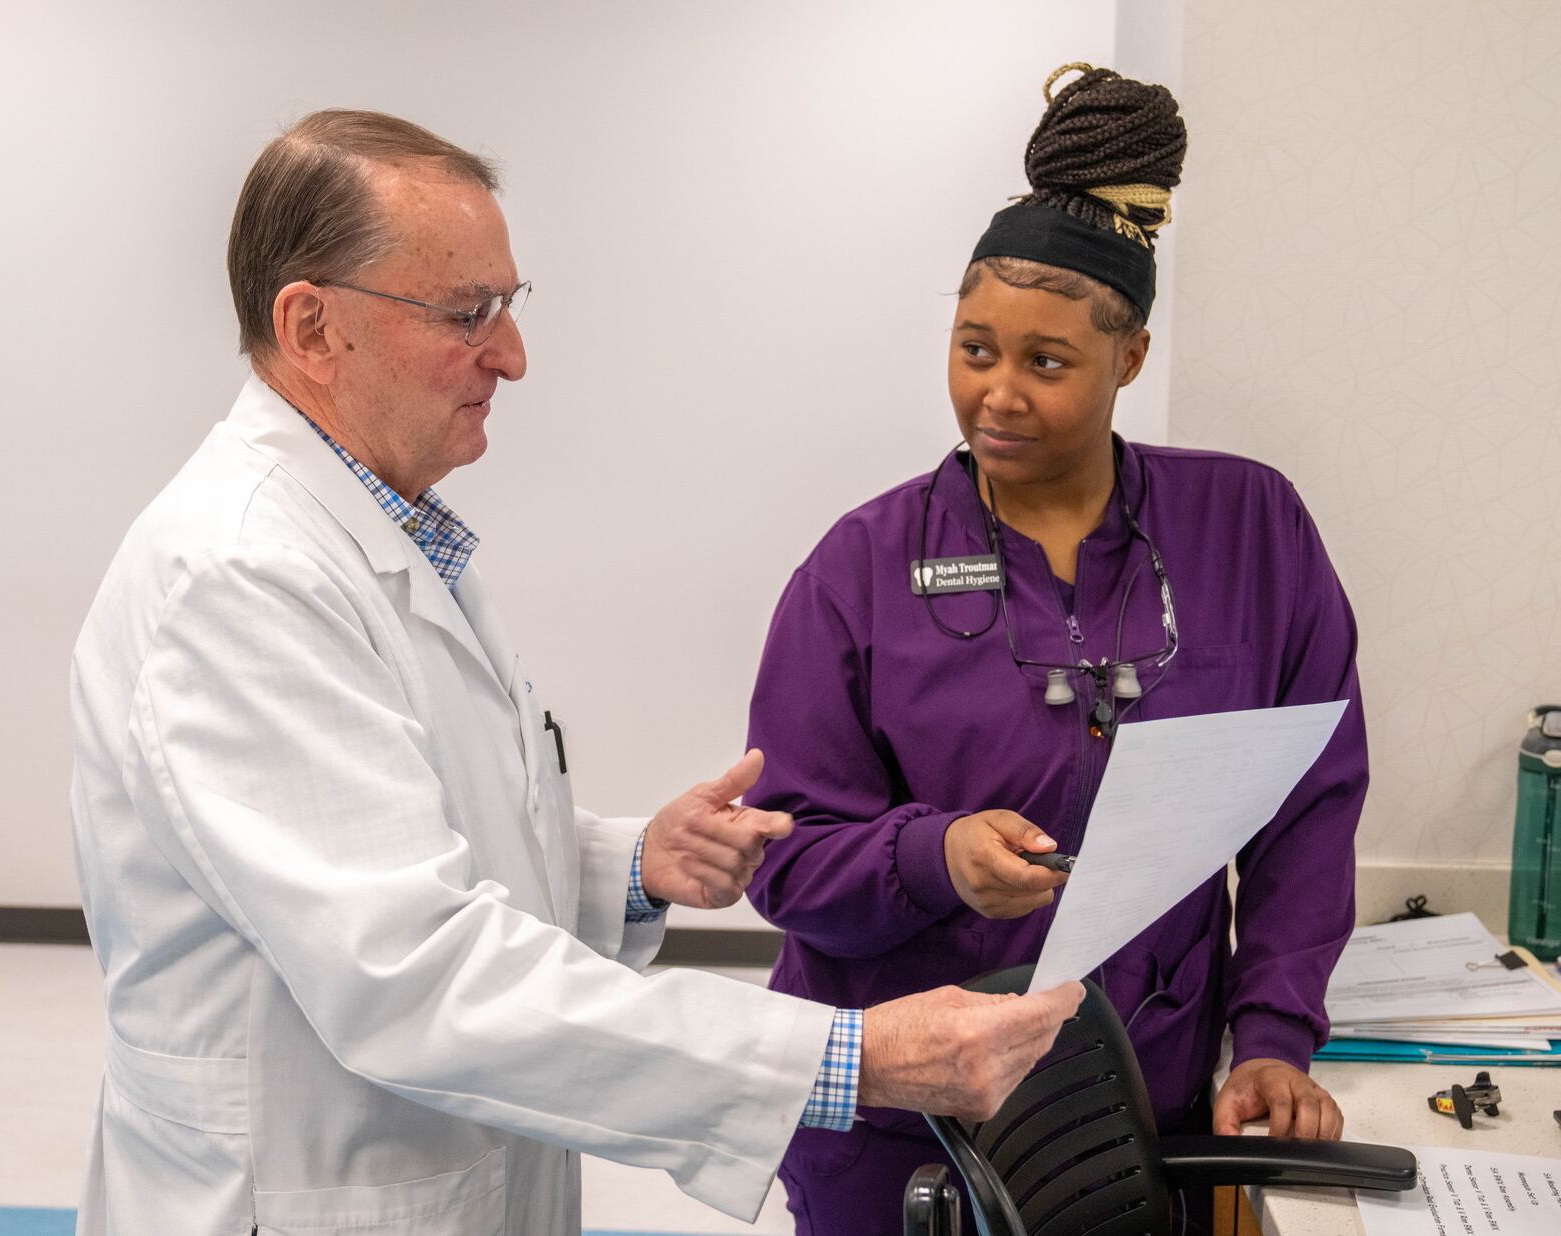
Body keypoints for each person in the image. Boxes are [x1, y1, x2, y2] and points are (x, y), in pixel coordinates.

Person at [68, 109, 1086, 1236]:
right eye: (467, 314)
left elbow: (422, 842)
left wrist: (628, 865)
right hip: (310, 1201)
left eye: (509, 306)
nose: (510, 354)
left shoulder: (390, 541)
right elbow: (416, 975)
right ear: (312, 326)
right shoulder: (240, 577)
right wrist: (850, 1055)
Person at [744, 64, 1366, 1233]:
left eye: (1045, 363)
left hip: (1148, 1114)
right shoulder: (858, 569)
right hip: (907, 1134)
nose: (996, 396)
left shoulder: (1251, 531)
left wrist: (1274, 1037)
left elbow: (1308, 806)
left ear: (1127, 360)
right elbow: (782, 863)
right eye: (973, 348)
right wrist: (935, 858)